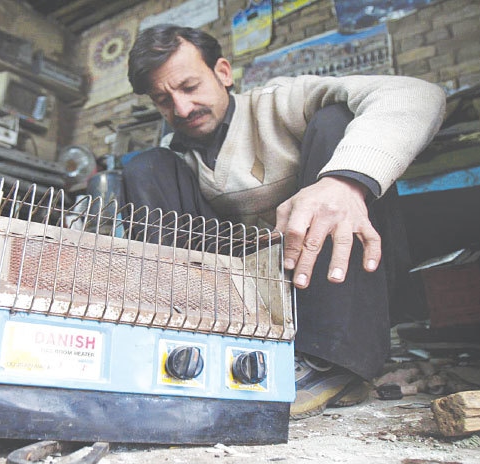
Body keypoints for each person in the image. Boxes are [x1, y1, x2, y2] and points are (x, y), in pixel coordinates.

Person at [122, 24, 446, 419]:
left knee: (334, 120)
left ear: (223, 72)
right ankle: (191, 347)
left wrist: (344, 182)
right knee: (144, 167)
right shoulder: (178, 160)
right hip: (261, 297)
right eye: (164, 100)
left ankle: (331, 361)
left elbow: (419, 94)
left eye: (189, 87)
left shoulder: (279, 102)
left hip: (343, 287)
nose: (182, 108)